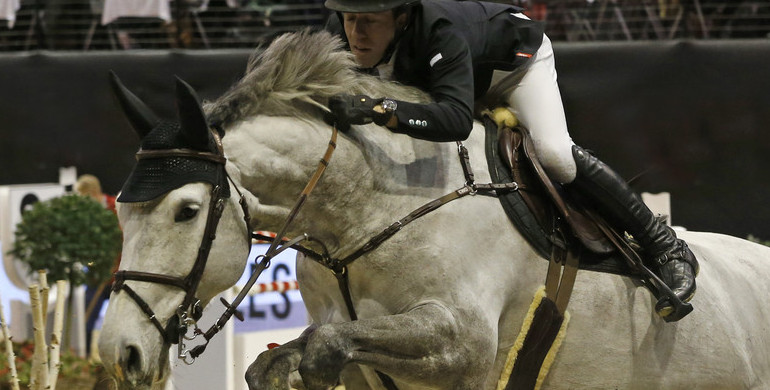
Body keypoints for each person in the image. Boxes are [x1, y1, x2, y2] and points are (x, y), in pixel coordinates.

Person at [322, 0, 698, 321]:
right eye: (351, 19)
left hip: (512, 66)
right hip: (452, 77)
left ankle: (664, 244)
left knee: (555, 155)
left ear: (401, 17)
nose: (357, 32)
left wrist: (380, 107)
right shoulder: (340, 29)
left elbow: (453, 118)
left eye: (370, 20)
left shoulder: (440, 30)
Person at [74, 174, 121, 353]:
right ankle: (84, 361)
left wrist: (115, 266)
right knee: (86, 321)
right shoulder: (85, 215)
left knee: (119, 323)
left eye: (84, 197)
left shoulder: (116, 209)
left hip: (118, 276)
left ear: (94, 193)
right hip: (95, 276)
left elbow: (124, 240)